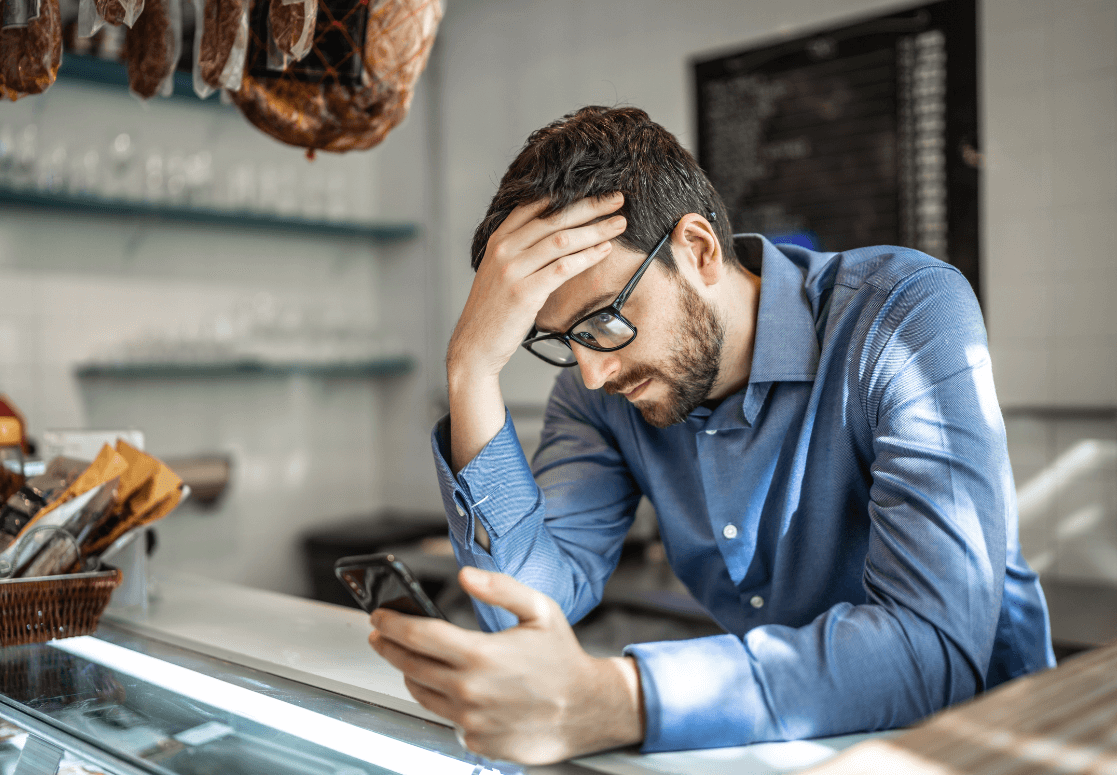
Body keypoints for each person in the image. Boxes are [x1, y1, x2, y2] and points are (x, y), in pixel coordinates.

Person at [367, 105, 1055, 765]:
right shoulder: (595, 391)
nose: (594, 371)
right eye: (561, 340)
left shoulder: (904, 314)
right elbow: (524, 605)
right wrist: (472, 367)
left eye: (604, 320)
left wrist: (618, 699)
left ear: (696, 251)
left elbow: (932, 648)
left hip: (990, 749)